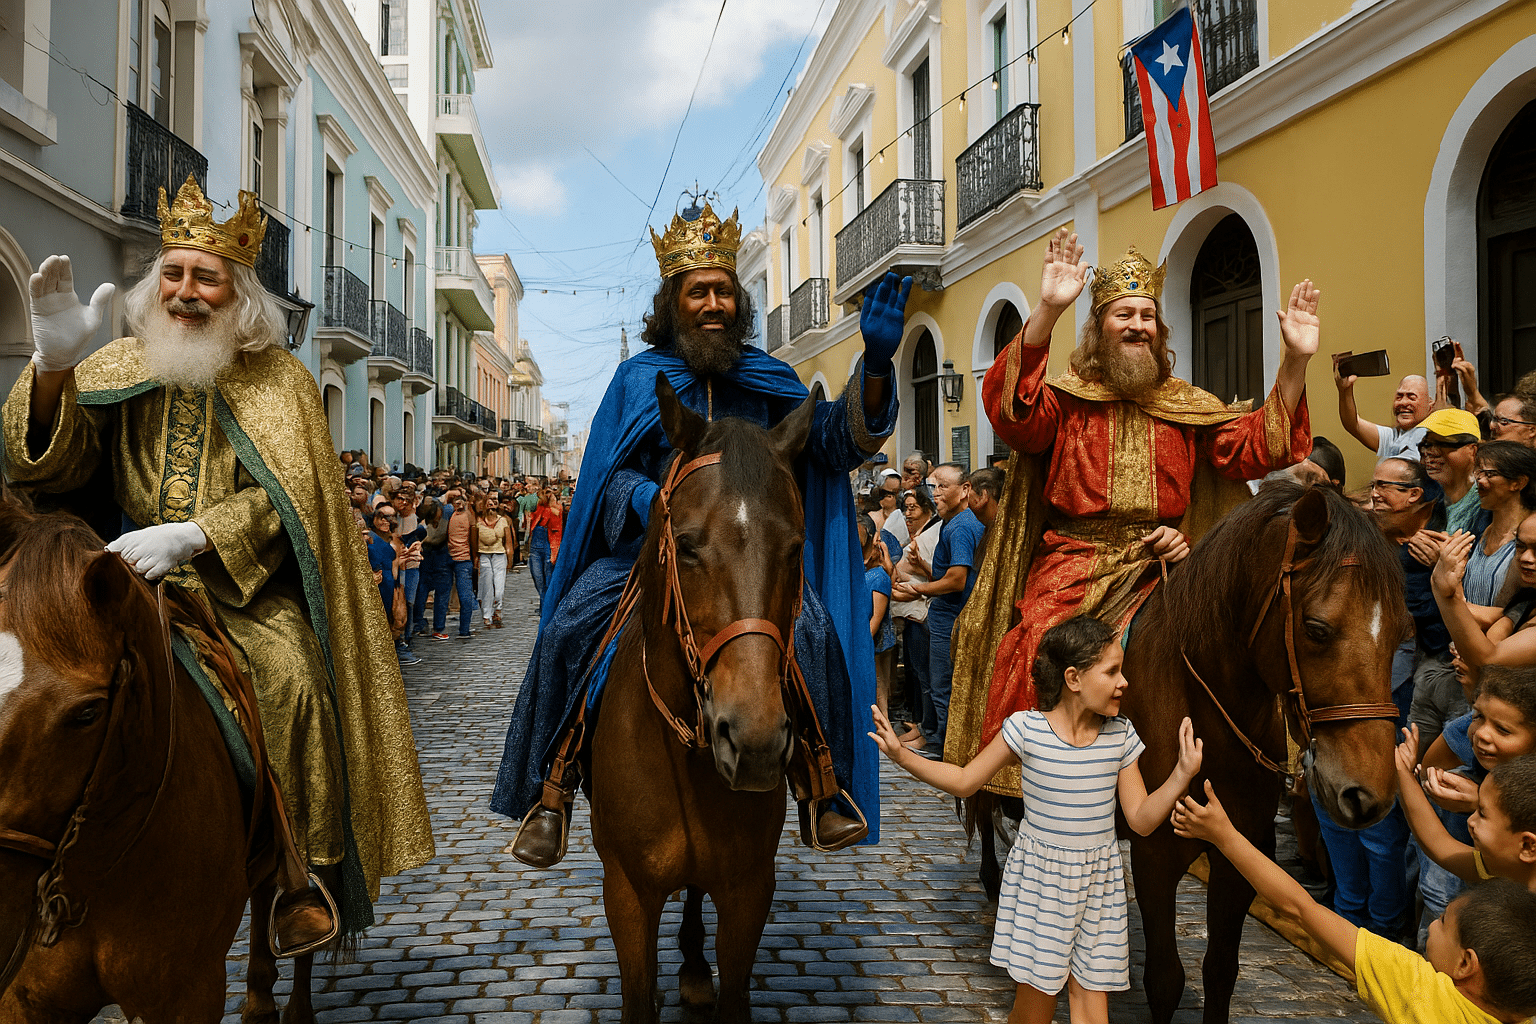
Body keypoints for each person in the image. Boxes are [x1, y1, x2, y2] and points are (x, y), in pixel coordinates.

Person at [2, 176, 432, 948]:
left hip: (237, 591)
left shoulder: (282, 382)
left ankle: (294, 876)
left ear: (237, 291)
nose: (187, 292)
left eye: (207, 277)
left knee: (296, 678)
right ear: (154, 281)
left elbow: (290, 504)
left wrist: (196, 535)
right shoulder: (112, 366)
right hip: (118, 576)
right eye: (174, 273)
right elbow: (48, 475)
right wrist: (53, 371)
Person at [492, 201, 906, 867]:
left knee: (816, 632)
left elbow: (830, 441)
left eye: (723, 290)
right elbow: (609, 478)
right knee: (570, 624)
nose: (713, 303)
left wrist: (878, 367)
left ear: (737, 300)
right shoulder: (637, 381)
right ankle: (555, 786)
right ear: (673, 302)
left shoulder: (770, 379)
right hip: (651, 556)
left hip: (747, 565)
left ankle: (821, 785)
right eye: (697, 291)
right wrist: (646, 497)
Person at [960, 229, 1314, 760]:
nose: (1138, 326)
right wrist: (1047, 311)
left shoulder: (1185, 402)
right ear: (1100, 328)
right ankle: (1033, 773)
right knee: (1038, 639)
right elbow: (1015, 415)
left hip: (1165, 558)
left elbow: (1256, 449)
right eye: (1123, 314)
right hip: (1075, 561)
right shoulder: (1068, 399)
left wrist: (1295, 361)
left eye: (1147, 316)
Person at [869, 616, 1204, 1024]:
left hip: (1099, 885)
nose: (1124, 682)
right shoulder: (1026, 730)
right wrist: (902, 756)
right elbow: (963, 781)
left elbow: (1140, 820)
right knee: (1034, 1008)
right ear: (1073, 678)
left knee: (1092, 1002)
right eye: (1112, 671)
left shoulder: (1121, 736)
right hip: (1042, 883)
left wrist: (1180, 776)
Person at [1173, 784, 1536, 1024]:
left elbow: (1300, 906)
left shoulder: (1419, 991)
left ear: (1465, 964)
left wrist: (1223, 835)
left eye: (1442, 923)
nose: (1431, 924)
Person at [891, 463, 984, 757]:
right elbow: (948, 574)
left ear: (965, 490)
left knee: (942, 684)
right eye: (934, 487)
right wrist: (921, 572)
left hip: (950, 616)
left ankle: (943, 745)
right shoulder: (951, 522)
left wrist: (917, 588)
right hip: (942, 615)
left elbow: (956, 581)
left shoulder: (961, 526)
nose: (936, 494)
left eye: (943, 487)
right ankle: (932, 734)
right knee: (932, 681)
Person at [1396, 730, 1536, 892]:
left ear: (1528, 846)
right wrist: (1402, 770)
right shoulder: (1507, 864)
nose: (1470, 820)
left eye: (1482, 813)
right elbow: (1438, 843)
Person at [891, 486, 941, 750]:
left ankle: (927, 731)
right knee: (917, 674)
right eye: (906, 508)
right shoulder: (918, 535)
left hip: (924, 617)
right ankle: (921, 725)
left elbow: (941, 579)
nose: (907, 513)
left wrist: (917, 571)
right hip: (912, 617)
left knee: (927, 676)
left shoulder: (934, 534)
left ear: (928, 510)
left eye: (913, 508)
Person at [1336, 366, 1433, 460]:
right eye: (1399, 397)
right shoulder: (1392, 437)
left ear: (1430, 404)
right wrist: (1345, 390)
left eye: (1411, 397)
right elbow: (1353, 424)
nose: (1403, 402)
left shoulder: (1435, 438)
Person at [1418, 408, 1484, 537]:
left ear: (1472, 450)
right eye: (1427, 444)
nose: (1430, 452)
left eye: (1443, 444)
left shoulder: (1485, 500)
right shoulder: (1424, 493)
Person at [471, 493, 511, 630]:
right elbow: (474, 542)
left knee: (498, 587)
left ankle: (498, 610)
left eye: (494, 501)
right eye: (489, 501)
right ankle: (487, 615)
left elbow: (509, 542)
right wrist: (475, 557)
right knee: (486, 585)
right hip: (484, 555)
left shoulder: (503, 521)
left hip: (499, 555)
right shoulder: (478, 521)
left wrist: (510, 559)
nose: (491, 503)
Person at [444, 488, 478, 638]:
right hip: (461, 560)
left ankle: (445, 627)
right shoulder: (466, 516)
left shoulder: (450, 514)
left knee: (448, 594)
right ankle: (463, 629)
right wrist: (475, 557)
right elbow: (473, 539)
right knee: (464, 596)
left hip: (454, 558)